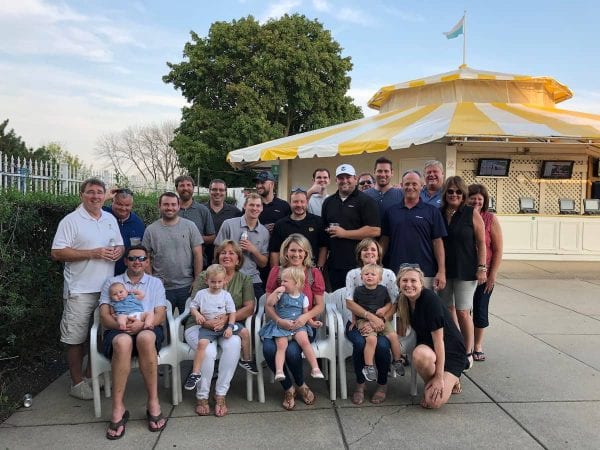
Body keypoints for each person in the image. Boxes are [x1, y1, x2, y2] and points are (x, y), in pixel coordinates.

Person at [51, 177, 124, 400]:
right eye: (90, 192)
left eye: (99, 192)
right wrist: (92, 253)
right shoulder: (71, 221)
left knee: (102, 334)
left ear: (105, 196)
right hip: (80, 290)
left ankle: (92, 374)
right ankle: (77, 382)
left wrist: (118, 252)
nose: (95, 196)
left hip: (106, 290)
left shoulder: (110, 218)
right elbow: (57, 252)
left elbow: (119, 244)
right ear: (82, 195)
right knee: (76, 338)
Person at [99, 245, 167, 438]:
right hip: (118, 328)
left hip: (147, 326)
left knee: (146, 338)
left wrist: (143, 325)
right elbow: (104, 316)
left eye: (142, 258)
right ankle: (118, 407)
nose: (137, 261)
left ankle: (153, 402)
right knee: (122, 342)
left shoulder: (155, 283)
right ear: (125, 261)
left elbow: (160, 313)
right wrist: (125, 327)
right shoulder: (111, 282)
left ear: (147, 262)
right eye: (133, 258)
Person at [184, 240, 256, 417]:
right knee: (208, 351)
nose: (227, 256)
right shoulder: (205, 276)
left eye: (232, 253)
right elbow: (194, 305)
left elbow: (249, 308)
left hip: (228, 324)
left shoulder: (244, 279)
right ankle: (202, 395)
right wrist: (206, 322)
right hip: (200, 325)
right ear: (218, 256)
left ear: (238, 259)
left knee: (233, 345)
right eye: (223, 252)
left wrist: (226, 320)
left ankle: (220, 394)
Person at [263, 233, 326, 410]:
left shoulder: (313, 274)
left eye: (300, 251)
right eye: (292, 250)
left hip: (303, 327)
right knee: (268, 349)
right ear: (286, 252)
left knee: (291, 351)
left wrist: (305, 317)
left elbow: (319, 305)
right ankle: (288, 388)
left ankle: (300, 384)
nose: (296, 254)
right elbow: (268, 305)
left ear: (306, 253)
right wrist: (278, 320)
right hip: (279, 325)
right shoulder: (277, 272)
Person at [396, 265, 467, 409]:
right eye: (404, 281)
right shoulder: (404, 300)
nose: (408, 285)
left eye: (413, 281)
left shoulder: (430, 300)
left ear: (421, 283)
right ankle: (432, 385)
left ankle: (449, 380)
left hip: (450, 351)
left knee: (433, 403)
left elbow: (439, 342)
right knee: (420, 355)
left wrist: (440, 377)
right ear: (399, 283)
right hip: (428, 348)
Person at [438, 177, 487, 370]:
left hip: (466, 269)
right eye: (450, 191)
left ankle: (468, 351)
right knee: (446, 311)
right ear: (445, 194)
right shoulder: (439, 213)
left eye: (458, 192)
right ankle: (453, 345)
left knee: (463, 311)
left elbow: (482, 242)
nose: (454, 195)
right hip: (444, 269)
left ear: (463, 194)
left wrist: (482, 267)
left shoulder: (471, 213)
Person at [344, 239, 396, 405]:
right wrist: (369, 317)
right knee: (360, 343)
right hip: (356, 322)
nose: (369, 252)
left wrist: (379, 320)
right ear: (359, 254)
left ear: (379, 253)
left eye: (373, 249)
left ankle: (382, 385)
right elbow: (349, 302)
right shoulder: (353, 274)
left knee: (382, 345)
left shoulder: (387, 274)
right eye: (364, 250)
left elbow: (394, 303)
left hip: (382, 322)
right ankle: (360, 385)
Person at [380, 170, 447, 290]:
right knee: (398, 308)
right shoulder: (391, 212)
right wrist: (378, 262)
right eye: (407, 184)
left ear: (422, 186)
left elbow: (437, 242)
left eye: (414, 184)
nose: (410, 187)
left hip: (425, 273)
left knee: (424, 308)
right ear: (401, 186)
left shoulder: (432, 211)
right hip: (396, 272)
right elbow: (385, 240)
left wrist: (441, 271)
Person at [321, 164, 381, 290]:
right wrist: (321, 265)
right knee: (339, 300)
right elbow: (324, 237)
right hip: (335, 264)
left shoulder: (366, 201)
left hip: (360, 264)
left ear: (355, 178)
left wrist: (345, 233)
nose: (344, 181)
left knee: (360, 301)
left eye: (348, 177)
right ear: (336, 180)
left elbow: (375, 230)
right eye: (341, 178)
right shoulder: (328, 202)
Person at [142, 191, 204, 314]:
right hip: (161, 287)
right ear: (159, 206)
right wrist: (152, 279)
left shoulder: (190, 226)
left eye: (173, 204)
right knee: (162, 325)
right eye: (165, 204)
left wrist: (197, 280)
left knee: (189, 324)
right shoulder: (151, 230)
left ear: (178, 205)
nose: (169, 208)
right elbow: (145, 257)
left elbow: (198, 254)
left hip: (187, 286)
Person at [259, 266, 324, 381]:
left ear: (296, 283)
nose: (282, 283)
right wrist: (275, 292)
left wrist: (313, 324)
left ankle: (315, 368)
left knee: (305, 342)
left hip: (298, 326)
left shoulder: (304, 298)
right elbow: (269, 304)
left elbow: (306, 314)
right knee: (281, 346)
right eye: (281, 281)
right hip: (281, 326)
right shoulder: (280, 294)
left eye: (285, 281)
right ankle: (279, 371)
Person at [348, 264, 404, 381]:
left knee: (393, 336)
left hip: (381, 319)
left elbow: (389, 303)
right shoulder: (358, 290)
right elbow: (354, 306)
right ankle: (369, 366)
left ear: (379, 279)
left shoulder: (383, 290)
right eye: (366, 274)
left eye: (373, 274)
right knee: (371, 339)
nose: (369, 276)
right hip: (363, 320)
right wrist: (354, 320)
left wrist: (384, 309)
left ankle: (397, 361)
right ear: (362, 277)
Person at [468, 184, 503, 362]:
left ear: (484, 201)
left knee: (480, 308)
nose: (476, 201)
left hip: (485, 274)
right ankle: (465, 343)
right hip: (464, 273)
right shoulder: (463, 216)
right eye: (472, 197)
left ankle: (478, 345)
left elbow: (497, 249)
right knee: (463, 310)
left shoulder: (490, 219)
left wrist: (492, 275)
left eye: (479, 198)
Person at [215, 193, 269, 300]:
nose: (255, 208)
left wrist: (253, 250)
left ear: (262, 208)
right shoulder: (229, 225)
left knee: (261, 308)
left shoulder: (264, 232)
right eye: (251, 205)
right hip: (228, 276)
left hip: (252, 278)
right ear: (244, 206)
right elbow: (217, 252)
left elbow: (263, 263)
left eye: (258, 206)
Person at [269, 187, 327, 269]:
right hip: (287, 271)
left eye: (302, 202)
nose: (299, 205)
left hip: (311, 270)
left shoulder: (318, 222)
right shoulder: (280, 224)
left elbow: (323, 247)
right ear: (290, 203)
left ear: (307, 202)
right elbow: (275, 251)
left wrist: (320, 268)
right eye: (295, 202)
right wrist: (275, 272)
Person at [175, 175, 216, 268]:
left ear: (193, 188)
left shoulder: (203, 210)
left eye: (188, 185)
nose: (185, 188)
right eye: (182, 185)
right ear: (177, 189)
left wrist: (193, 238)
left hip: (197, 263)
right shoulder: (170, 210)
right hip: (175, 263)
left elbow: (212, 237)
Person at [103, 187, 145, 275]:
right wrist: (104, 197)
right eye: (119, 204)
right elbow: (80, 212)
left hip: (125, 277)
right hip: (100, 273)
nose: (123, 208)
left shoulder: (138, 223)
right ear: (112, 202)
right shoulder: (102, 214)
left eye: (127, 205)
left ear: (132, 205)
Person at [203, 179, 242, 262]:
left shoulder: (235, 212)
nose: (218, 192)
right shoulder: (201, 210)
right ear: (209, 191)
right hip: (203, 258)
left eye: (221, 190)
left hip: (226, 260)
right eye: (214, 189)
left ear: (225, 192)